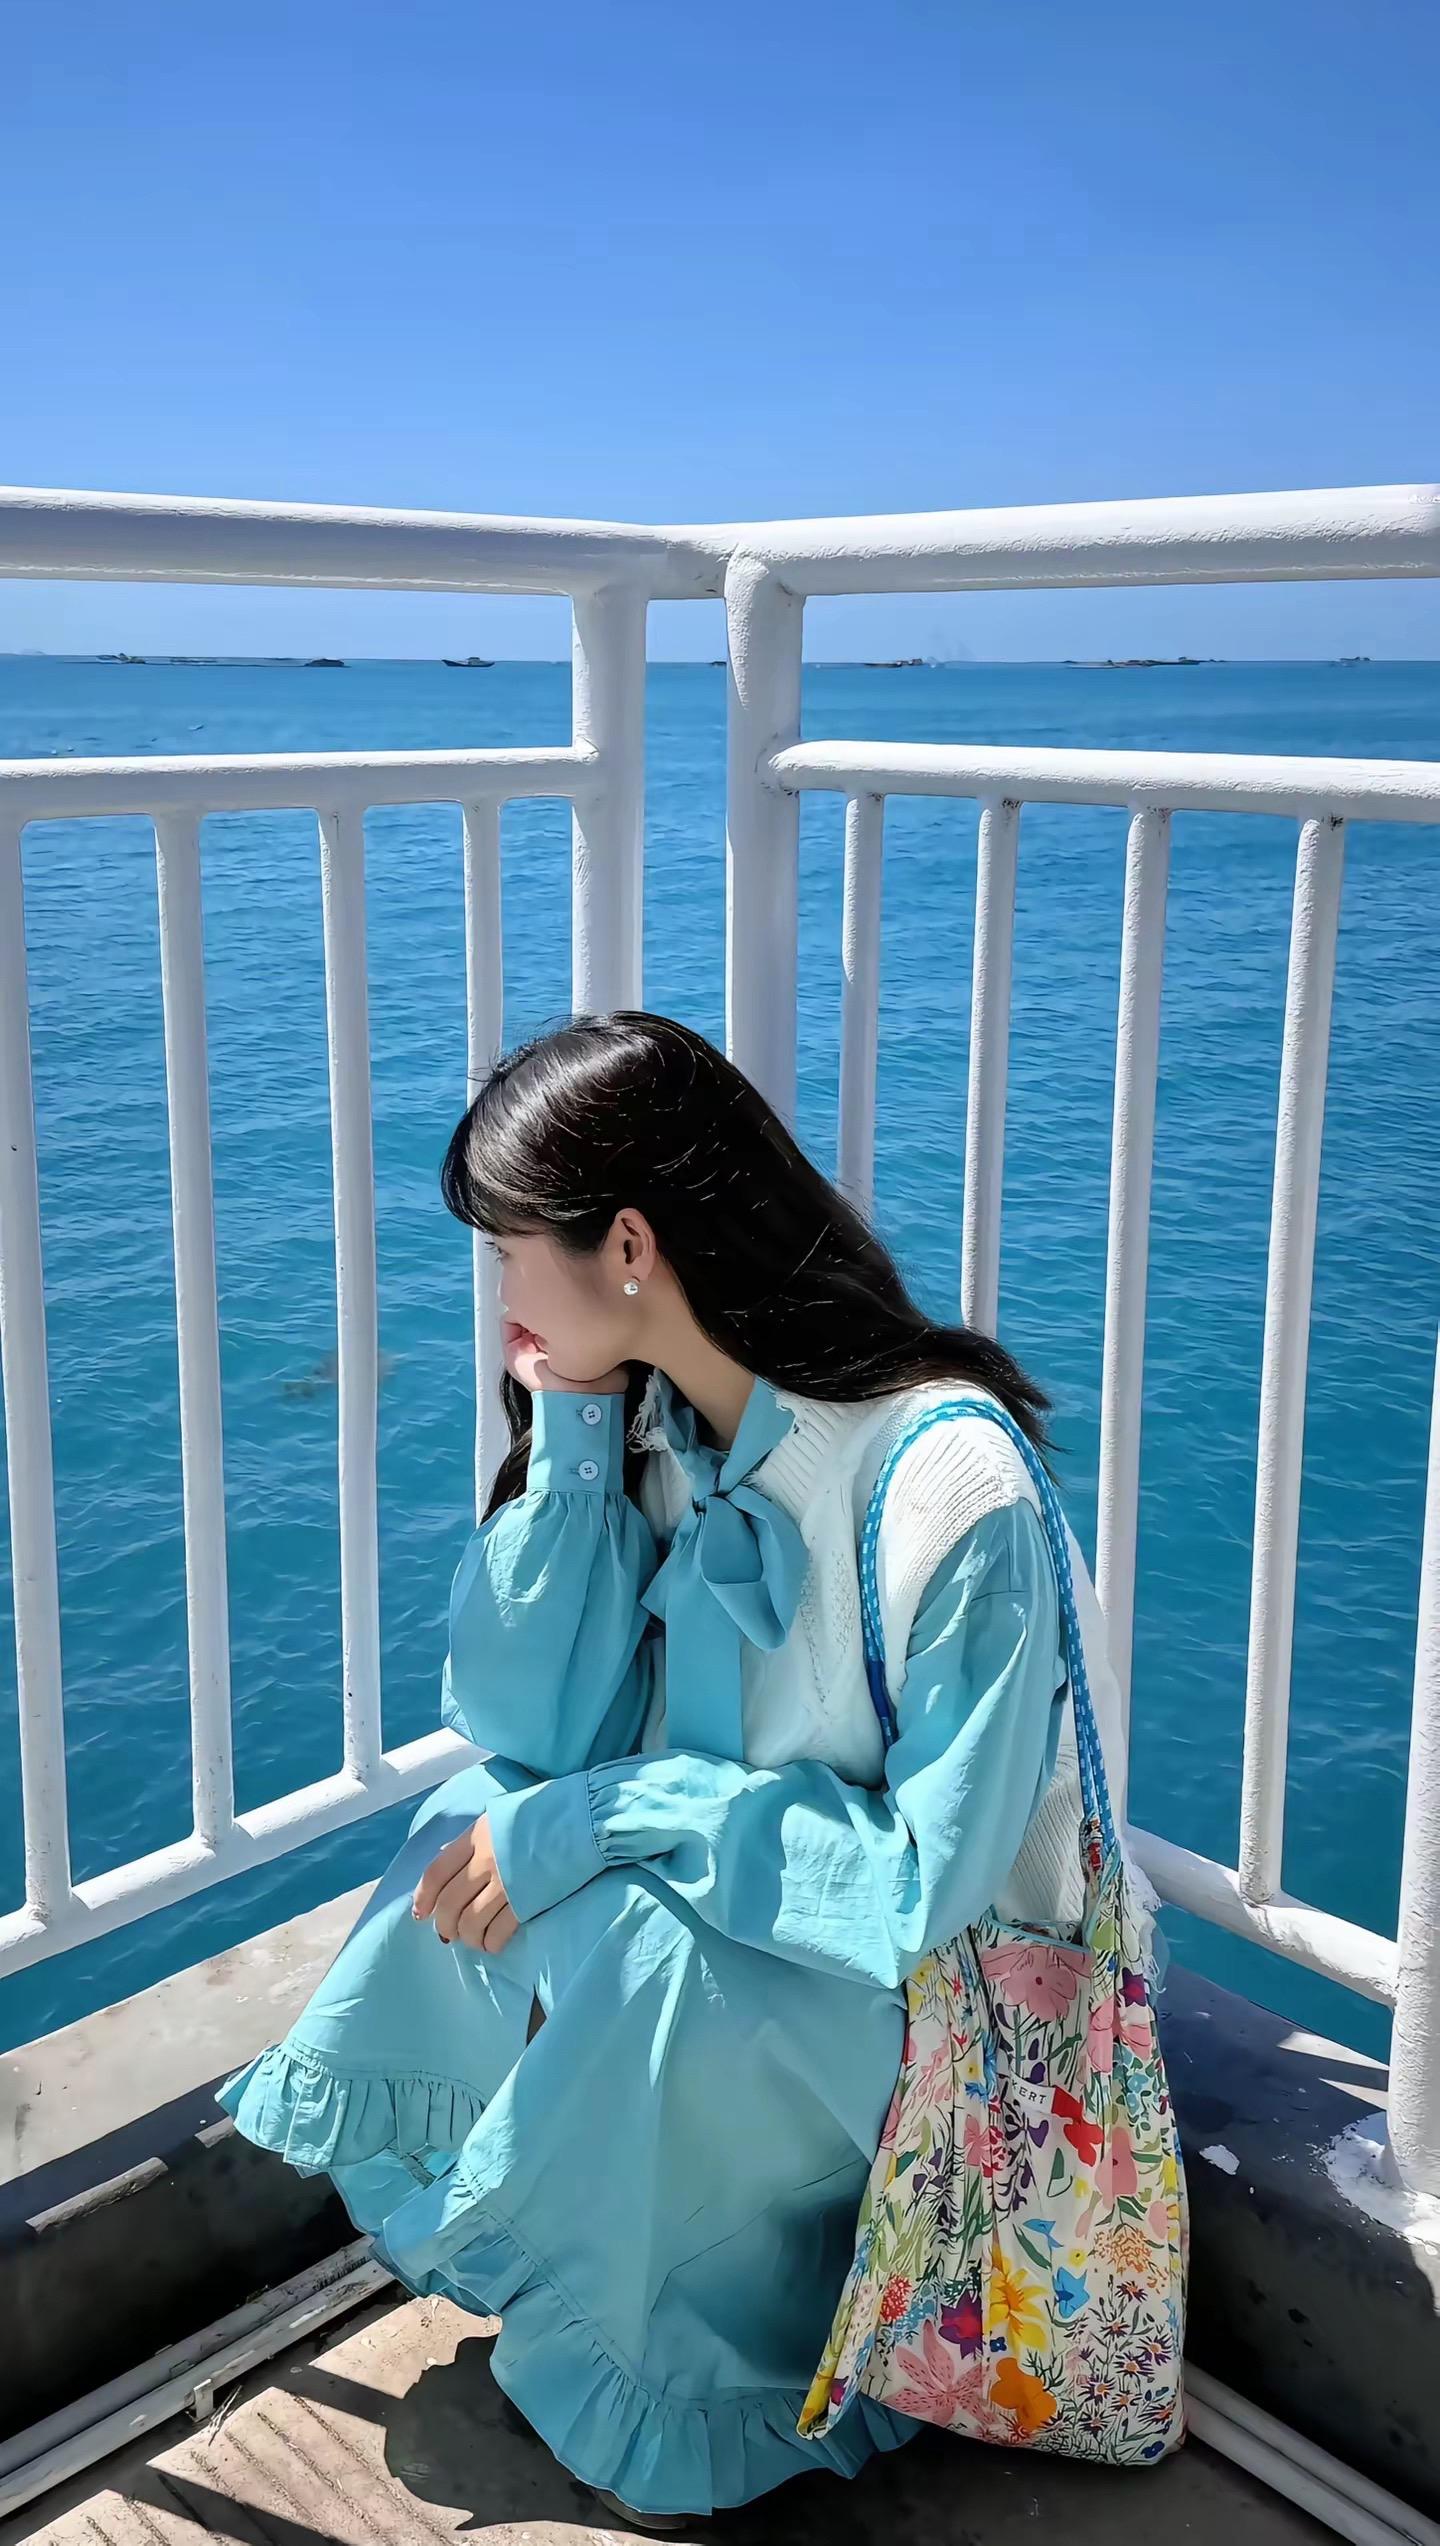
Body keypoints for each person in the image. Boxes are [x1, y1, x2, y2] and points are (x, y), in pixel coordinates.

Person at [216, 1009, 1139, 2534]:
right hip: (777, 1933)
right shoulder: (662, 1416)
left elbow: (924, 1888)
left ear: (630, 1245)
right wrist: (570, 1433)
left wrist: (602, 1816)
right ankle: (611, 2272)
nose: (498, 1293)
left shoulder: (943, 1479)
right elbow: (529, 1719)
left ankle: (730, 2362)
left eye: (508, 1250)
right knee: (471, 1820)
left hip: (950, 2013)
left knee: (641, 1946)